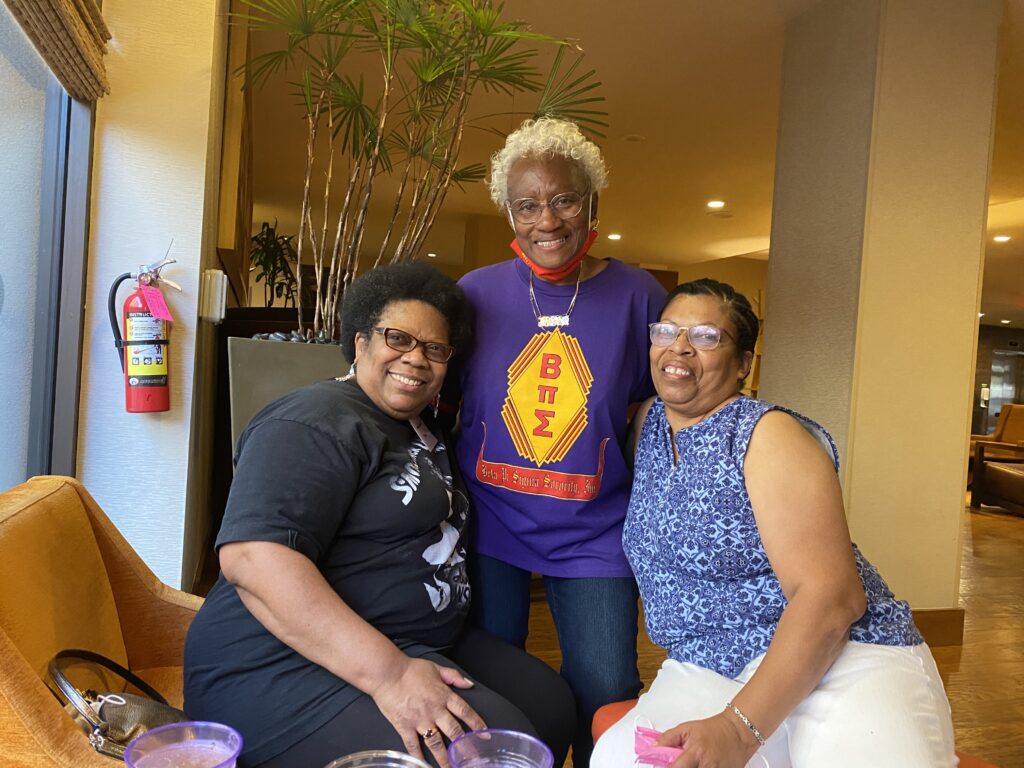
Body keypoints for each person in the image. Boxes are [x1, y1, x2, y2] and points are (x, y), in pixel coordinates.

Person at [184, 262, 575, 768]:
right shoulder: (314, 420)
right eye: (398, 338)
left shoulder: (418, 425)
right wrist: (391, 675)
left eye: (435, 349)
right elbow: (254, 561)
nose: (417, 358)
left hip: (407, 638)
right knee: (492, 752)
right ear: (361, 340)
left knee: (551, 705)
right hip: (276, 665)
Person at [591, 278, 957, 767]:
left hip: (842, 656)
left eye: (706, 336)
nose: (679, 347)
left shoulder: (768, 435)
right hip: (709, 663)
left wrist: (738, 729)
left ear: (743, 364)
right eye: (667, 331)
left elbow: (833, 598)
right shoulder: (649, 423)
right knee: (622, 761)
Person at [449, 117, 667, 766]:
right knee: (488, 691)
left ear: (592, 201)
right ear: (508, 213)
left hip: (595, 528)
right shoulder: (475, 294)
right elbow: (435, 391)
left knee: (606, 691)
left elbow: (665, 403)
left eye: (564, 198)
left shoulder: (640, 296)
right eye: (527, 205)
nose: (547, 220)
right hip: (491, 519)